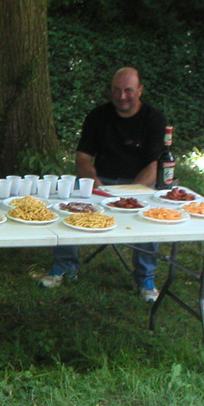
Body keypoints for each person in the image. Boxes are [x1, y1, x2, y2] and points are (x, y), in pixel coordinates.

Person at [40, 67, 166, 302]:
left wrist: (131, 194)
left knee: (150, 215)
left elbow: (155, 165)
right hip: (101, 181)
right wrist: (93, 182)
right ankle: (65, 266)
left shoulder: (154, 118)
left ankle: (145, 278)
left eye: (128, 90)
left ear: (140, 90)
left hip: (137, 184)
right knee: (66, 202)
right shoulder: (98, 116)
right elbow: (83, 159)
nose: (122, 96)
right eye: (116, 90)